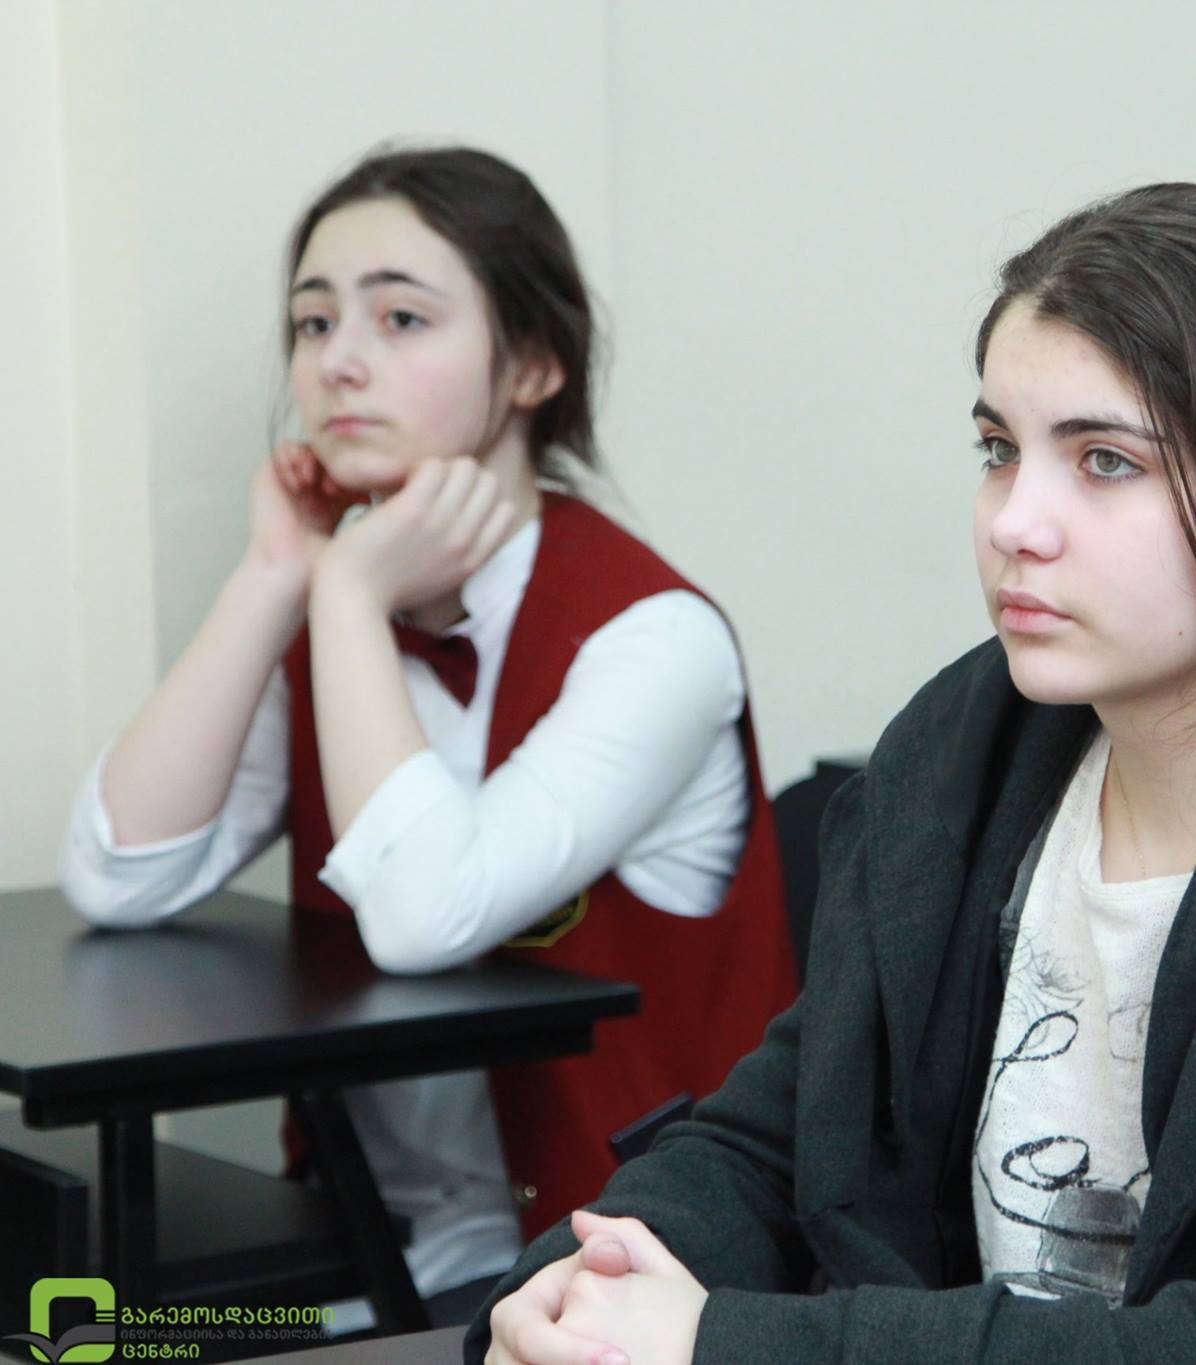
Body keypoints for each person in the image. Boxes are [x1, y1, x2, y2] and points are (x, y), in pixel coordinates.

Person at [470, 184, 1196, 1364]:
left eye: (1104, 461)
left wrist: (716, 1344)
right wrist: (579, 1289)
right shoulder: (965, 752)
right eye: (998, 449)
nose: (1013, 522)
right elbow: (783, 1142)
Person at [60, 146, 798, 1319]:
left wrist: (348, 595)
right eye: (313, 322)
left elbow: (424, 917)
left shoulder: (654, 639)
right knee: (66, 1303)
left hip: (609, 1271)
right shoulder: (333, 608)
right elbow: (119, 875)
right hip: (369, 1246)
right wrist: (272, 576)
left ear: (534, 364)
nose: (337, 362)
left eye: (401, 318)